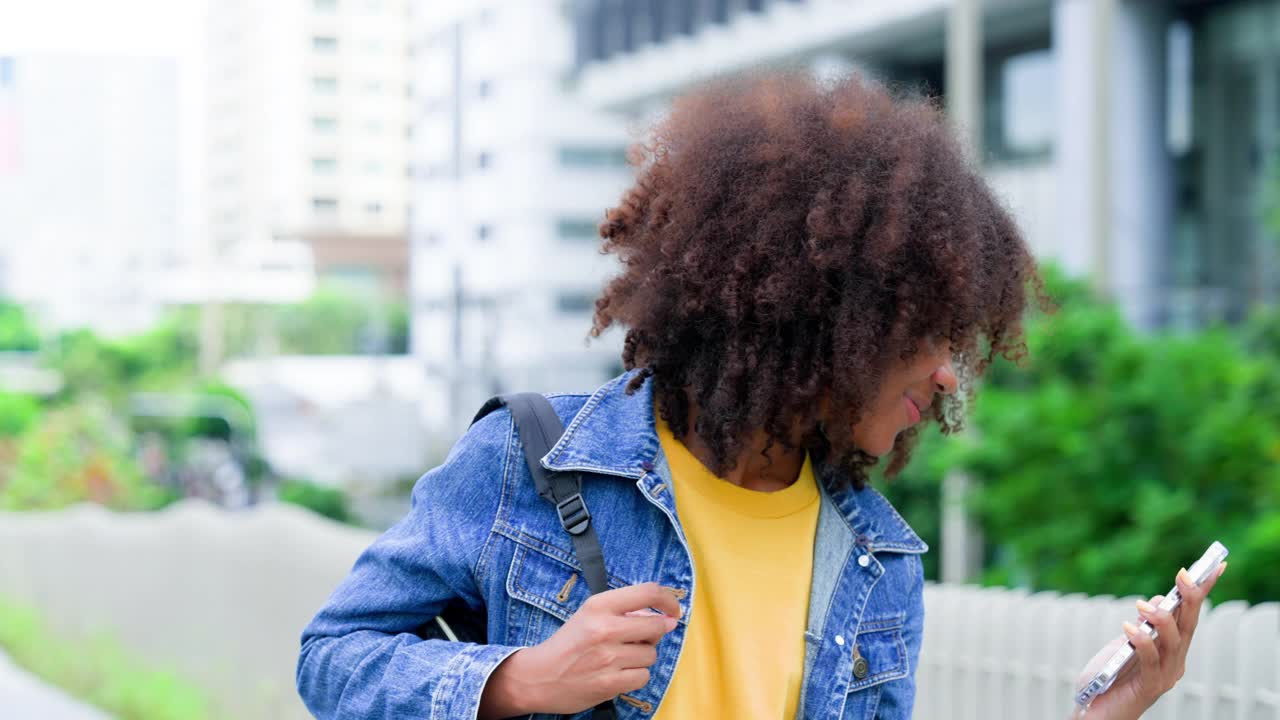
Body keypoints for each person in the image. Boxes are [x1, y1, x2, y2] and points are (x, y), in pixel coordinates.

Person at [296, 73, 1220, 720]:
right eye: (926, 334)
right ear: (828, 313)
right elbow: (331, 659)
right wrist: (521, 680)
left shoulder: (875, 561)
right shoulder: (531, 463)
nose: (947, 375)